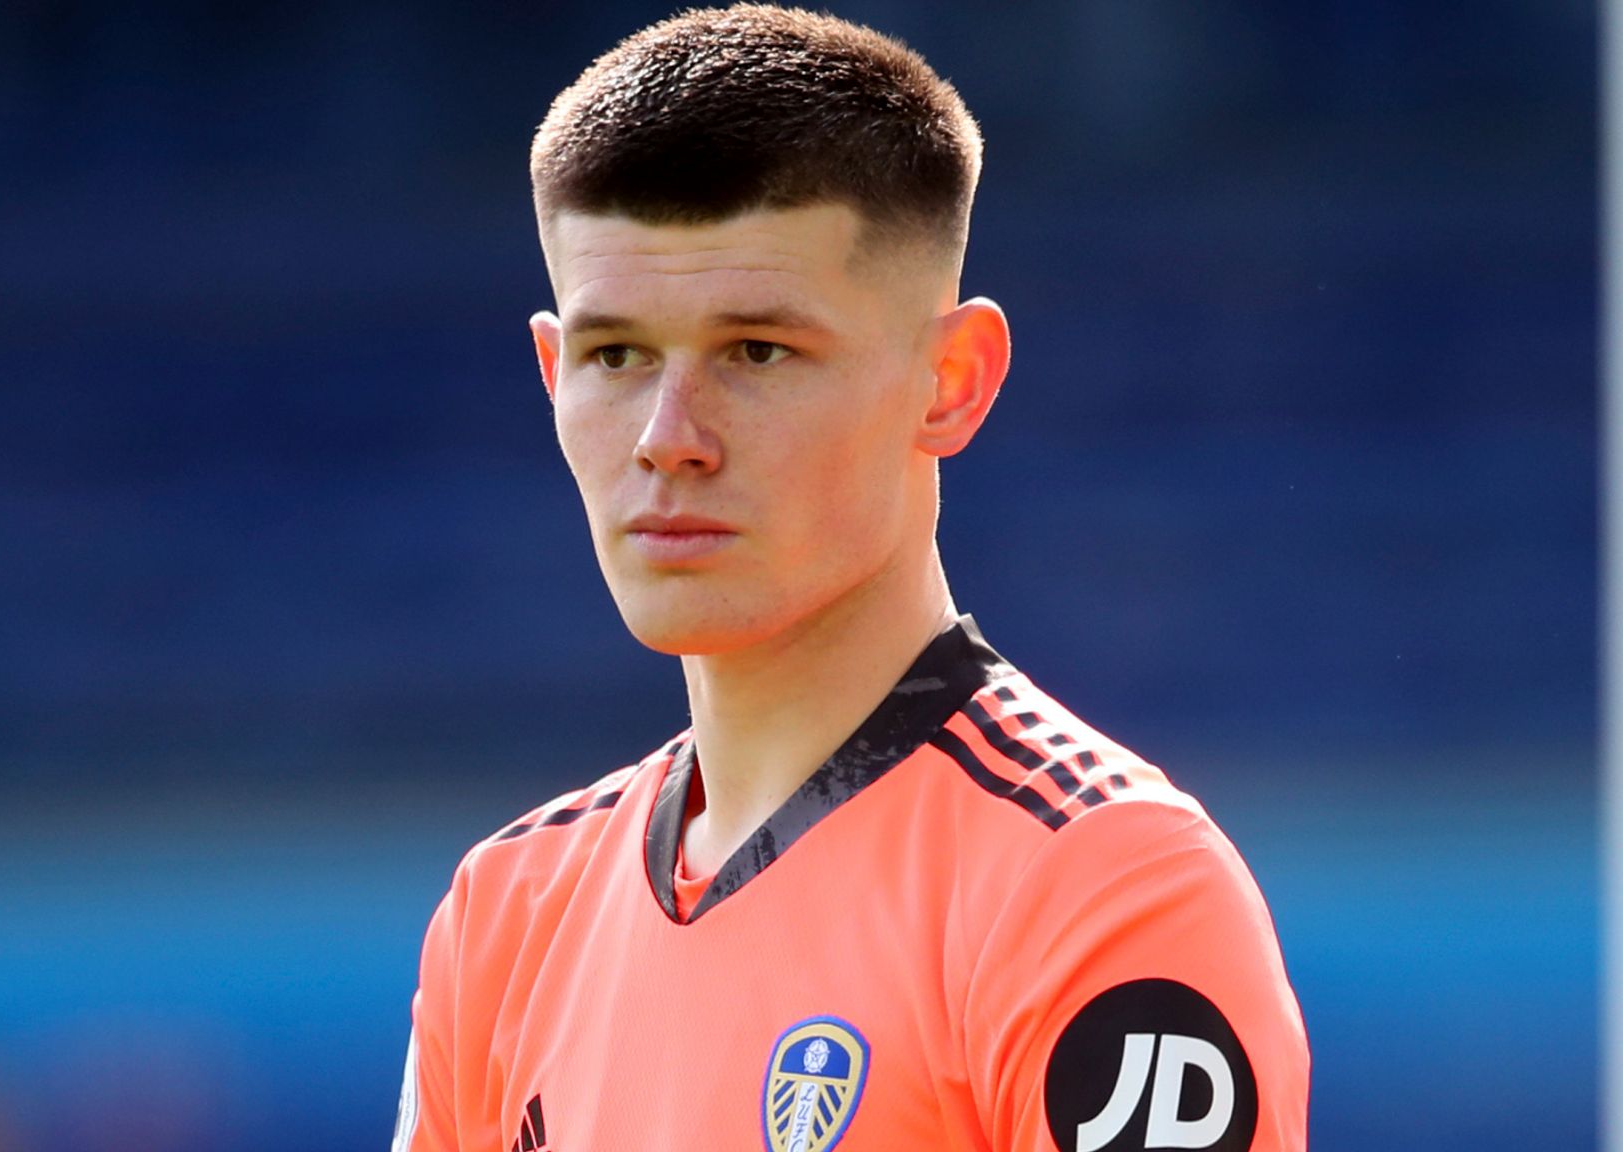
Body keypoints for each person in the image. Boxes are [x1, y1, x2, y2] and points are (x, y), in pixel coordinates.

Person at [393, 6, 1308, 1151]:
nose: (668, 438)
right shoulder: (508, 910)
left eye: (757, 351)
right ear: (550, 371)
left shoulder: (1097, 886)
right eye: (615, 354)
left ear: (950, 380)